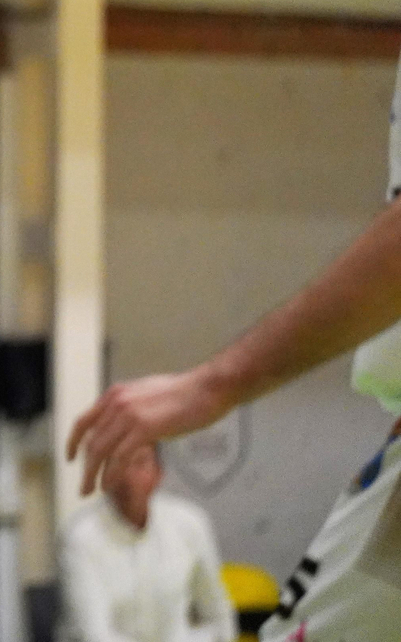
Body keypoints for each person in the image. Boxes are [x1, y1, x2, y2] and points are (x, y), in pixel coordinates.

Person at [68, 50, 401, 642]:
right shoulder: (85, 539)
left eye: (140, 459)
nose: (129, 475)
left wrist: (212, 383)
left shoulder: (185, 524)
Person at [59, 445, 236, 642]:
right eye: (116, 464)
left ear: (158, 473)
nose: (127, 475)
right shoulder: (81, 537)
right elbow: (94, 635)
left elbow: (217, 609)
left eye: (140, 463)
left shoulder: (189, 524)